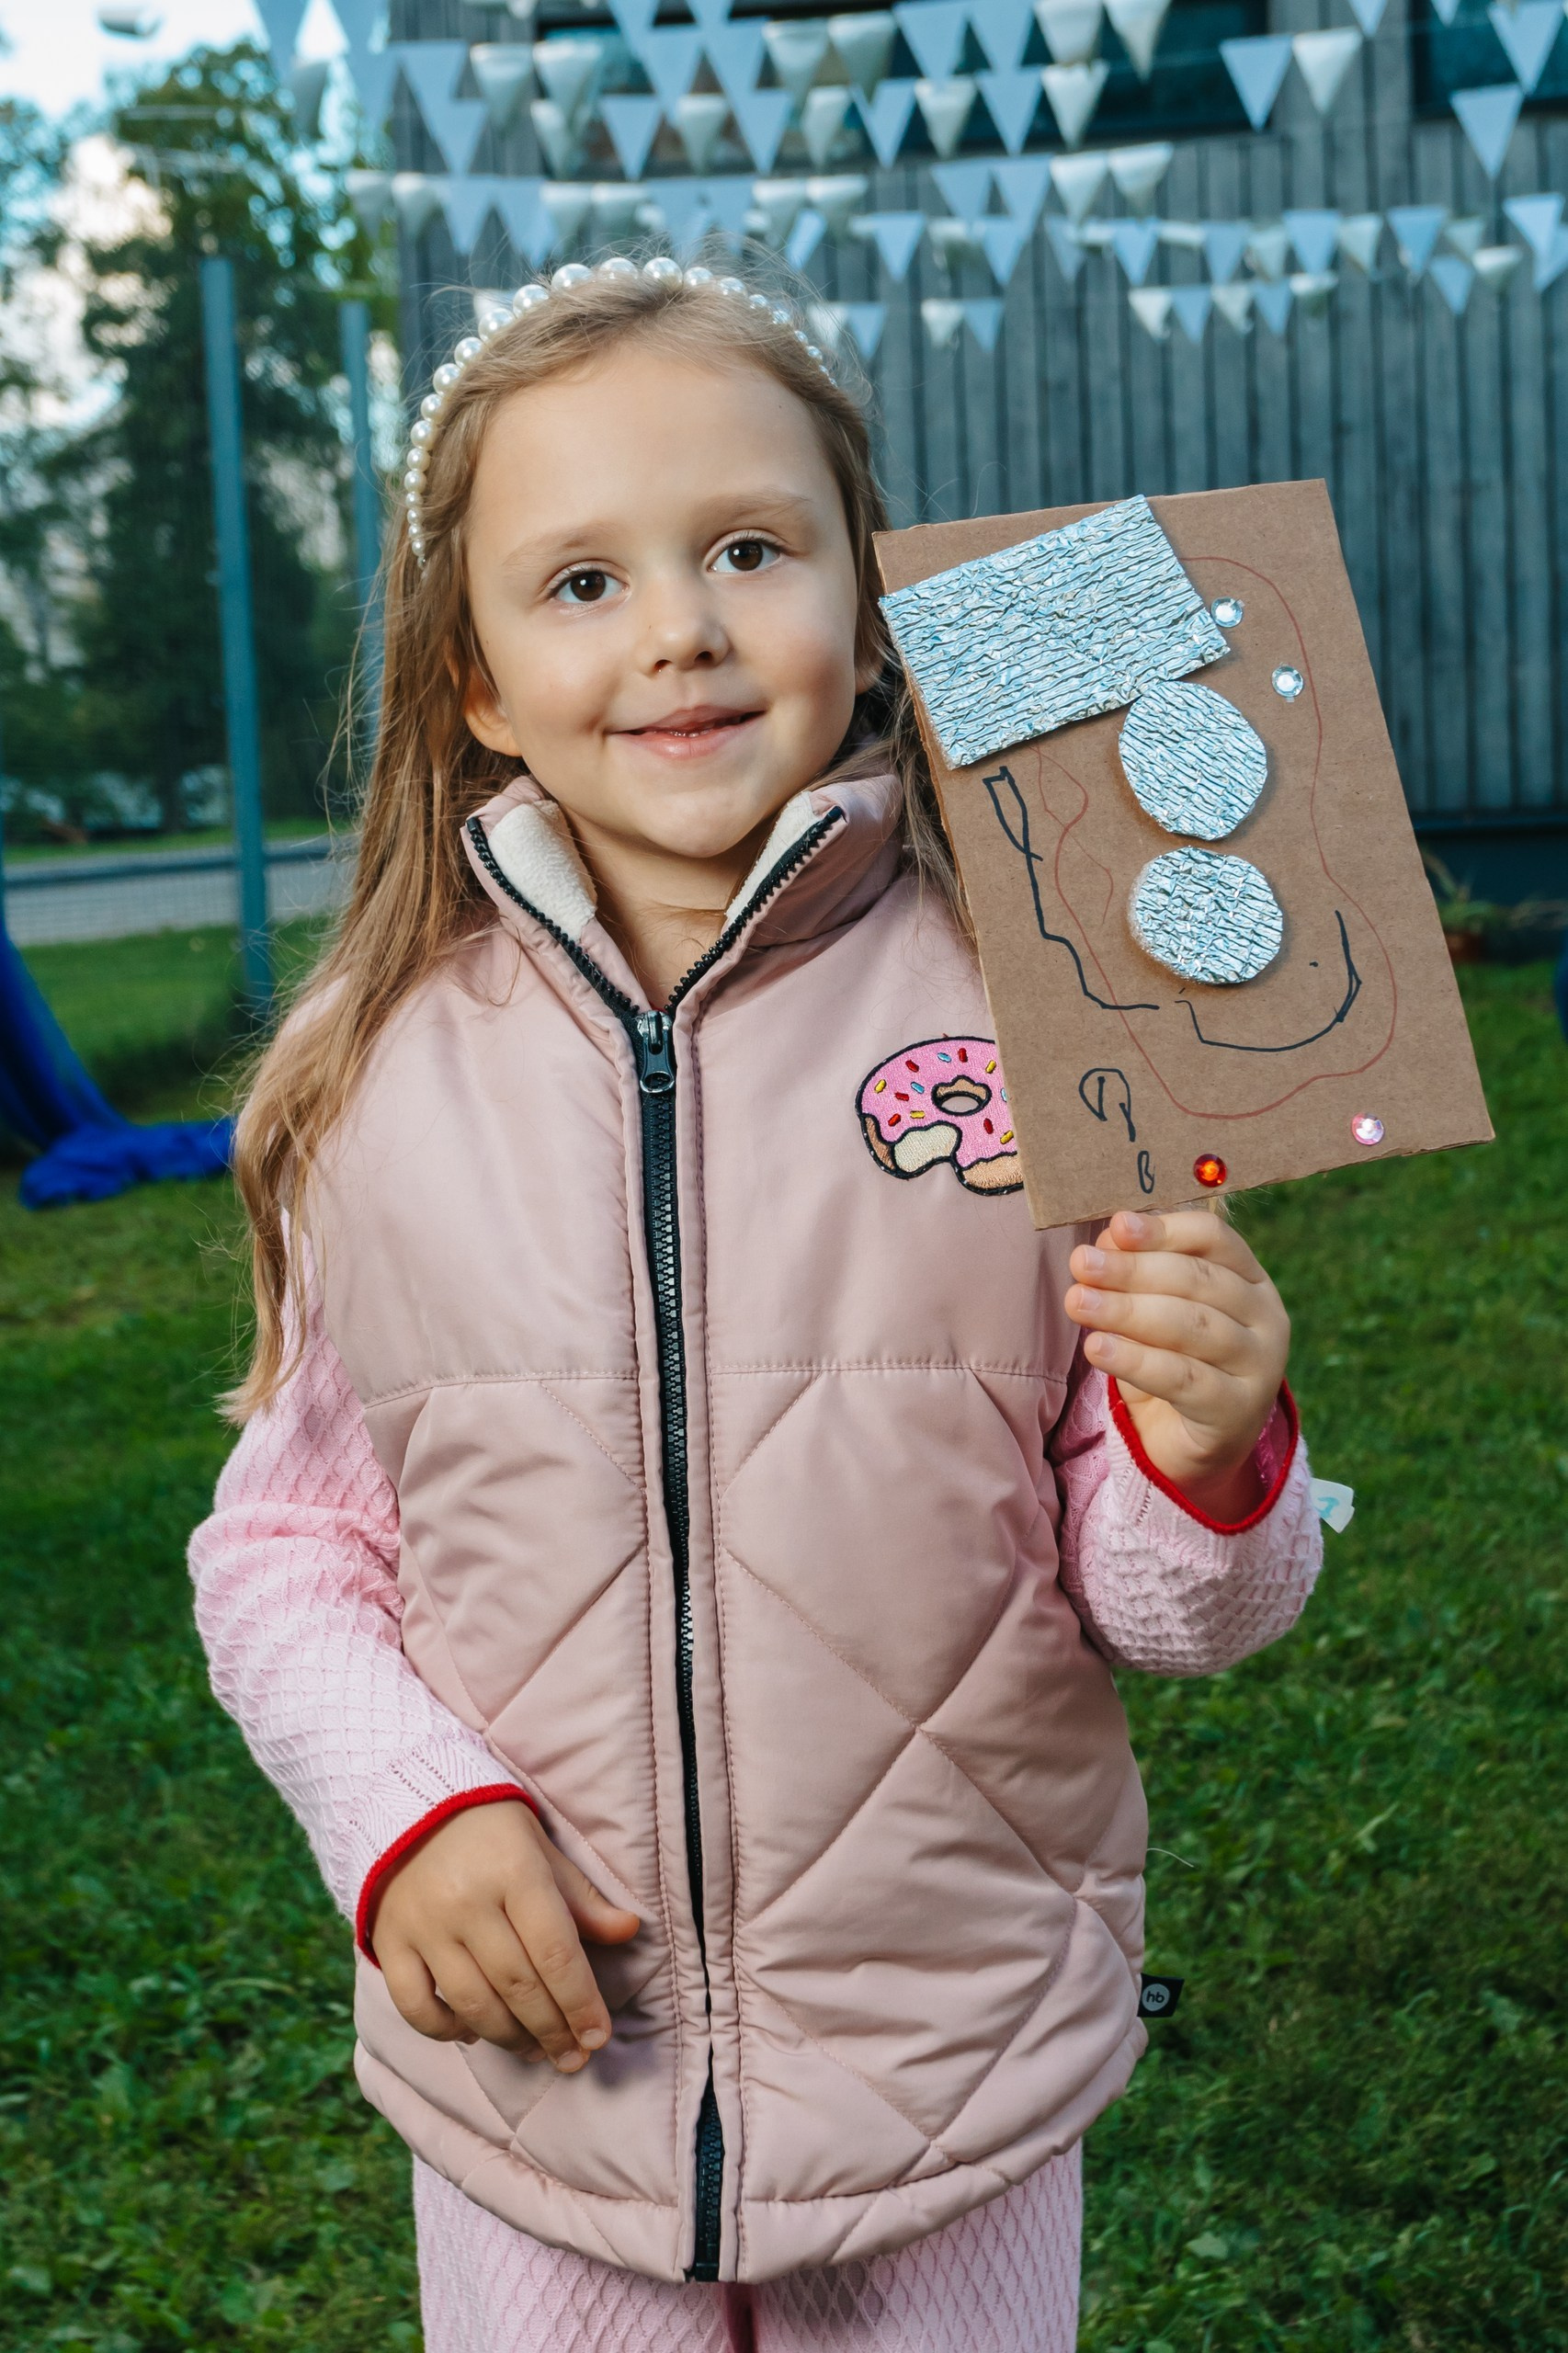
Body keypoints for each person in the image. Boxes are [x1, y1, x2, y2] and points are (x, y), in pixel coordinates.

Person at [188, 254, 1324, 2353]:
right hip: (550, 2079)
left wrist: (1207, 1450)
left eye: (745, 549)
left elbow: (1180, 1613)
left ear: (870, 604)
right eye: (581, 581)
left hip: (953, 2061)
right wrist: (404, 1812)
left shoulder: (1059, 1011)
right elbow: (284, 1547)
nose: (680, 629)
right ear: (474, 681)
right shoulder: (376, 1073)